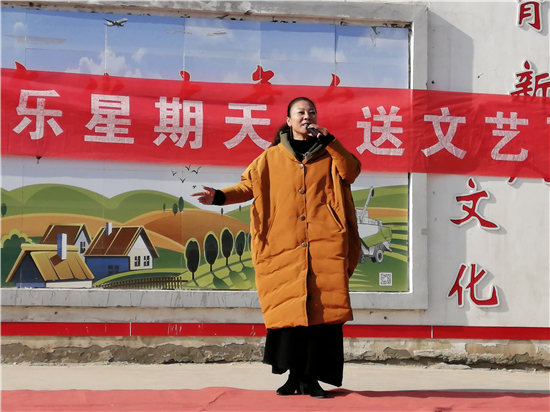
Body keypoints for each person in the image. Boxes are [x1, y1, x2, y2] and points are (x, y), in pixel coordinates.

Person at [192, 97, 361, 398]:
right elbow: (248, 186)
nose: (307, 116)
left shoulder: (330, 153)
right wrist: (218, 196)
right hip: (284, 245)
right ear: (289, 119)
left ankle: (311, 378)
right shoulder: (270, 158)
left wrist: (331, 141)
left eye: (311, 112)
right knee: (288, 312)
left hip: (323, 245)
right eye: (301, 112)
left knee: (321, 313)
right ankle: (294, 376)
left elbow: (351, 171)